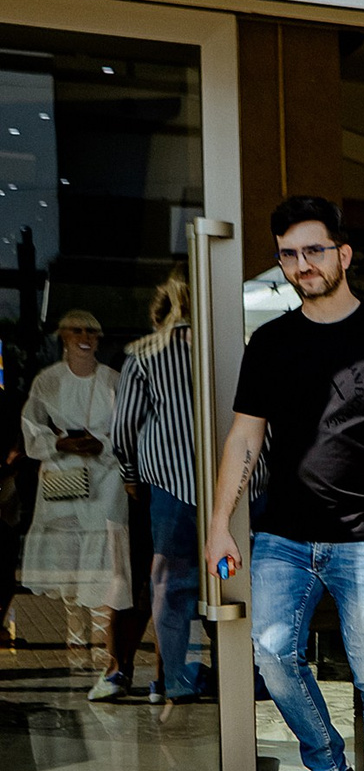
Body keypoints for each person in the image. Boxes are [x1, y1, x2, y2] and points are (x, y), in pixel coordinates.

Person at [207, 197, 364, 771]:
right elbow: (244, 439)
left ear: (342, 255)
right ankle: (329, 763)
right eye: (288, 253)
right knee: (273, 650)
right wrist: (219, 523)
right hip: (283, 533)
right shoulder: (271, 342)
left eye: (314, 250)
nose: (301, 263)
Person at [19, 310, 131, 697]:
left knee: (103, 556)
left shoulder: (114, 381)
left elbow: (127, 428)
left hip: (104, 477)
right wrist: (59, 443)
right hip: (63, 475)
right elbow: (32, 426)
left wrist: (102, 444)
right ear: (63, 337)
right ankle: (73, 631)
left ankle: (103, 640)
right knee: (66, 556)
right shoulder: (47, 381)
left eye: (92, 331)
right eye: (77, 330)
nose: (85, 337)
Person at [112, 269, 211, 702]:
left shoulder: (142, 354)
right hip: (232, 487)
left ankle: (173, 680)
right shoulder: (225, 348)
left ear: (159, 315)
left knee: (170, 585)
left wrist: (131, 479)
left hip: (170, 488)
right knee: (228, 583)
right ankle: (239, 676)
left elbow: (123, 430)